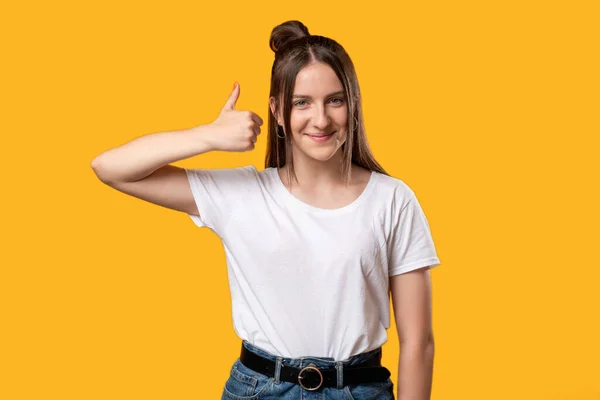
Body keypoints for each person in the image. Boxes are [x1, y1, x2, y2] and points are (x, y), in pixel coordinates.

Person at [92, 20, 441, 400]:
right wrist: (208, 136)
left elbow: (418, 342)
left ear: (352, 103)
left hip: (359, 389)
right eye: (301, 102)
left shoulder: (392, 200)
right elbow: (110, 168)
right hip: (261, 389)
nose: (320, 119)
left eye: (335, 100)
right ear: (277, 110)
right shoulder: (242, 193)